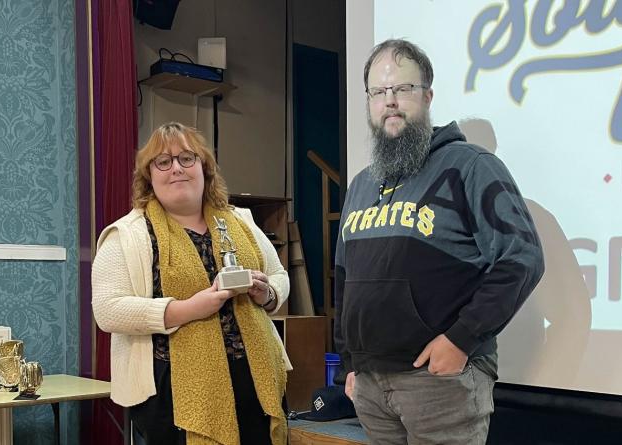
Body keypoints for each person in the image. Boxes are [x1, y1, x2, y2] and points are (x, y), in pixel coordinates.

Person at [334, 39, 545, 444]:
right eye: (379, 92)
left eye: (403, 89)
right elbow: (345, 280)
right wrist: (350, 364)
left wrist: (461, 340)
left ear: (427, 96)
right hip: (371, 386)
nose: (391, 101)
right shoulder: (361, 185)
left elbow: (522, 258)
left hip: (439, 385)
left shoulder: (471, 166)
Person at [92, 122, 290, 445]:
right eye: (163, 162)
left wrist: (267, 292)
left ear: (204, 168)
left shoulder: (241, 221)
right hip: (170, 396)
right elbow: (108, 309)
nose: (177, 169)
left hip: (255, 383)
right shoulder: (127, 234)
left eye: (187, 158)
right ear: (149, 177)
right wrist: (186, 309)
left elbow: (280, 277)